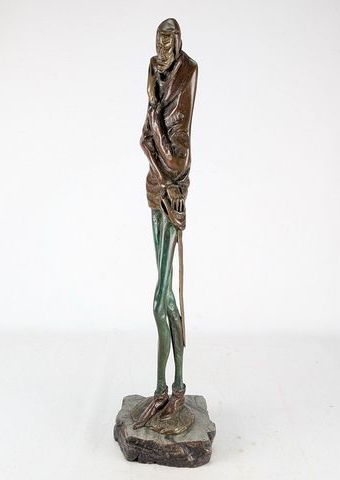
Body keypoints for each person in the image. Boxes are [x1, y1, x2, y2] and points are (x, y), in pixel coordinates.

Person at [134, 18, 198, 428]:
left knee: (161, 302)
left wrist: (157, 123)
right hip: (156, 193)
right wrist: (163, 172)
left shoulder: (186, 75)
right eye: (159, 39)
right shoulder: (153, 73)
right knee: (168, 299)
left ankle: (168, 390)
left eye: (169, 40)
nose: (162, 47)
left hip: (172, 198)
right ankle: (172, 389)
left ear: (178, 42)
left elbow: (178, 159)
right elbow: (144, 139)